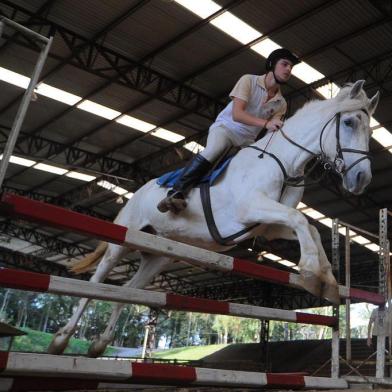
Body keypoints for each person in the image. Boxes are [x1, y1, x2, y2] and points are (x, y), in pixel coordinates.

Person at [157, 48, 300, 214]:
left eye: (291, 67)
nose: (289, 69)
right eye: (285, 64)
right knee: (214, 149)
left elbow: (269, 135)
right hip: (226, 128)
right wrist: (266, 123)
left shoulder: (281, 103)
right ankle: (177, 191)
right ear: (271, 65)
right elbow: (237, 115)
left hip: (247, 140)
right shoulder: (248, 80)